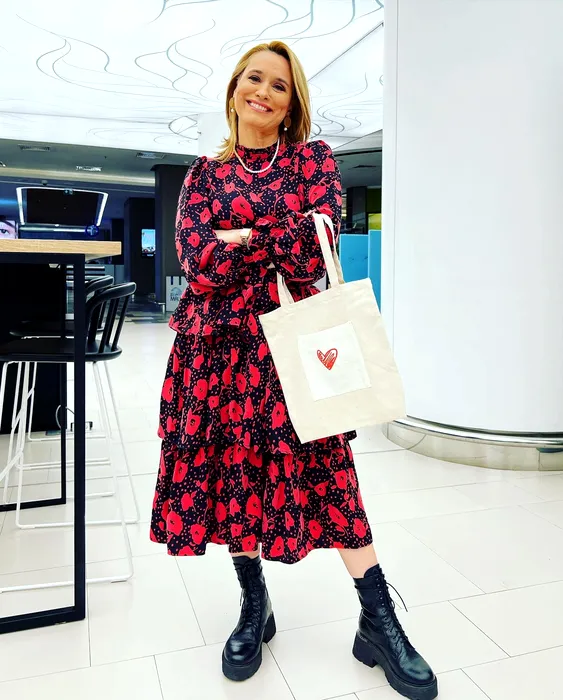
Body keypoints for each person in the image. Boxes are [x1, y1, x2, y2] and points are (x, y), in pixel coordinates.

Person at [150, 41, 438, 700]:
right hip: (215, 352)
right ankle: (255, 605)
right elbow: (196, 263)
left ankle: (378, 619)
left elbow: (314, 249)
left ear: (290, 105)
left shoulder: (311, 161)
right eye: (254, 79)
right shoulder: (202, 174)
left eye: (279, 86)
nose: (263, 92)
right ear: (234, 89)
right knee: (233, 475)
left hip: (295, 348)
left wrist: (240, 239)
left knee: (332, 477)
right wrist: (270, 237)